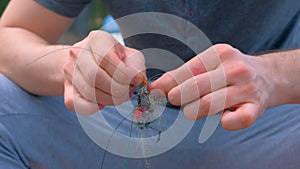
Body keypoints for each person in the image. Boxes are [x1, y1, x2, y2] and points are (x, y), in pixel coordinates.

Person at [0, 0, 299, 168]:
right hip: (136, 121)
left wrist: (271, 75)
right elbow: (11, 34)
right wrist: (74, 66)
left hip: (276, 125)